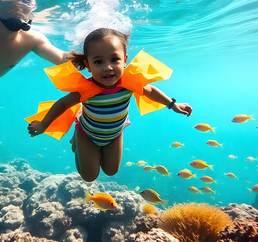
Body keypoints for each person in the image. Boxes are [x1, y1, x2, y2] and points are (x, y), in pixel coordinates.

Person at [27, 28, 192, 182]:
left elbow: (150, 91)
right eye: (98, 62)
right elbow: (62, 104)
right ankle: (76, 134)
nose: (108, 67)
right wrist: (43, 124)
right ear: (88, 66)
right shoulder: (86, 90)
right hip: (87, 133)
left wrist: (173, 105)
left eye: (115, 59)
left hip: (114, 133)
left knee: (111, 171)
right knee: (89, 177)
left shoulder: (129, 83)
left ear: (125, 59)